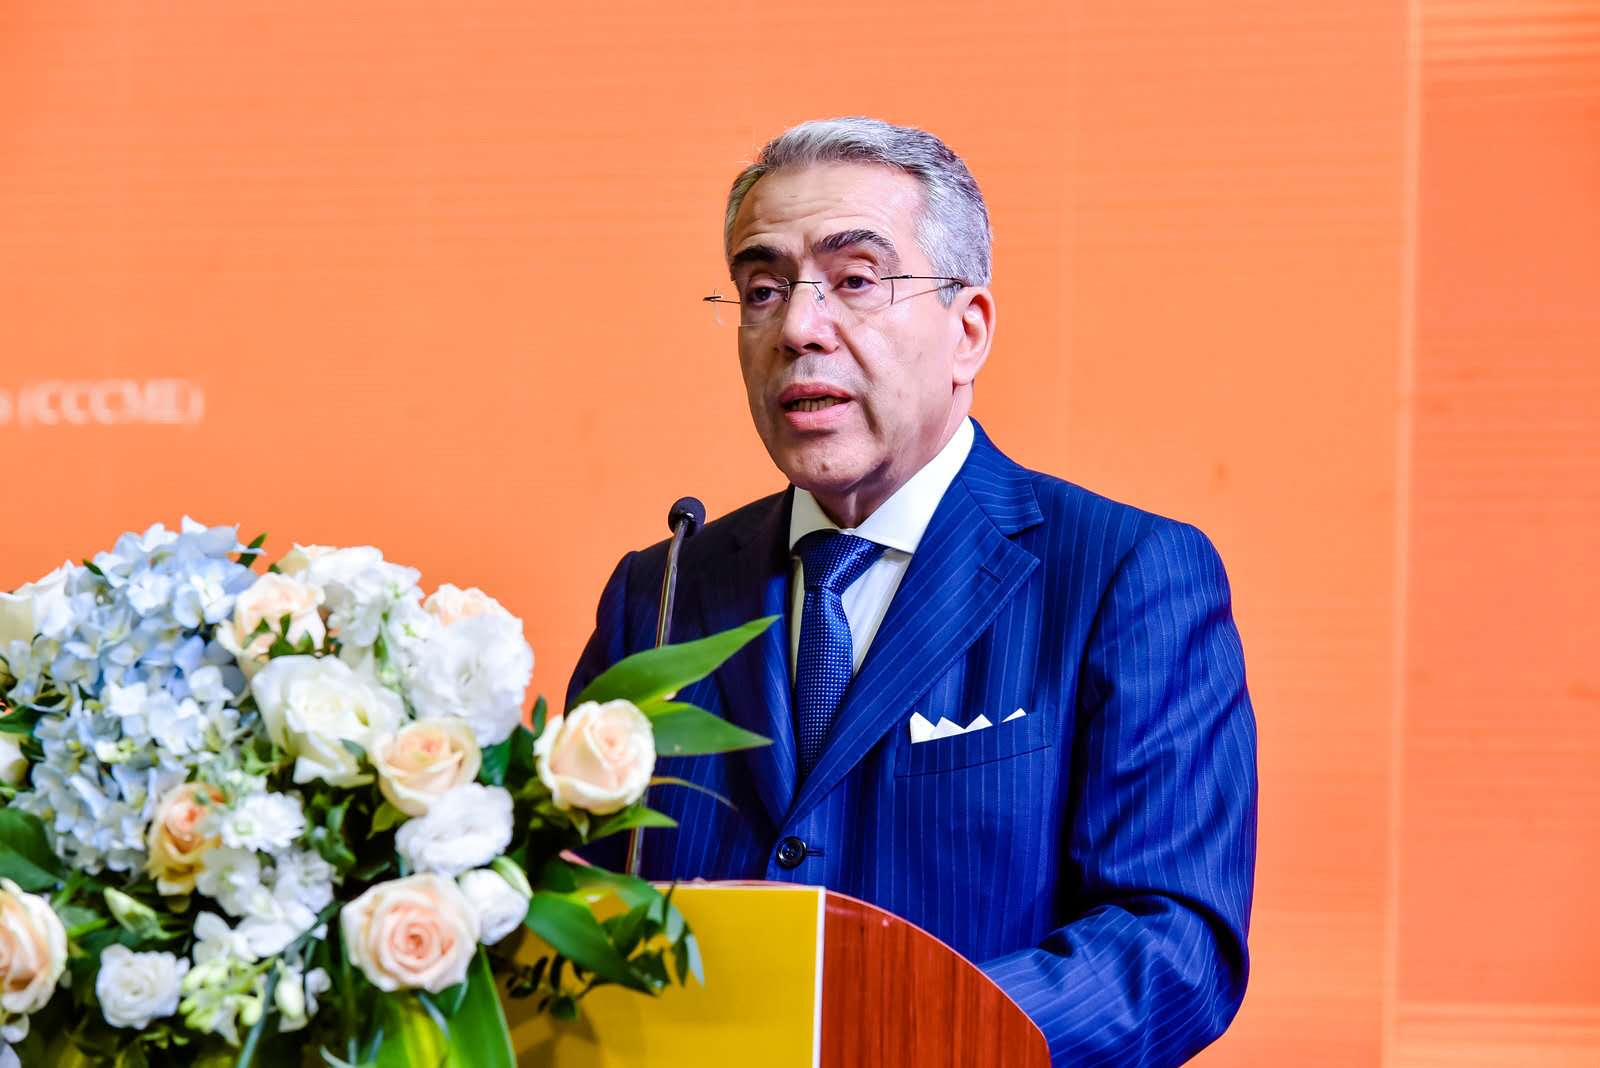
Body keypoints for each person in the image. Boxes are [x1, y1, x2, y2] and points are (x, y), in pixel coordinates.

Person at [568, 117, 1257, 1067]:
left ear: (967, 330)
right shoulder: (662, 593)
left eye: (855, 280)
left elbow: (1172, 947)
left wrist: (892, 1035)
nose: (798, 328)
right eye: (763, 290)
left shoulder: (1123, 575)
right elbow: (571, 907)